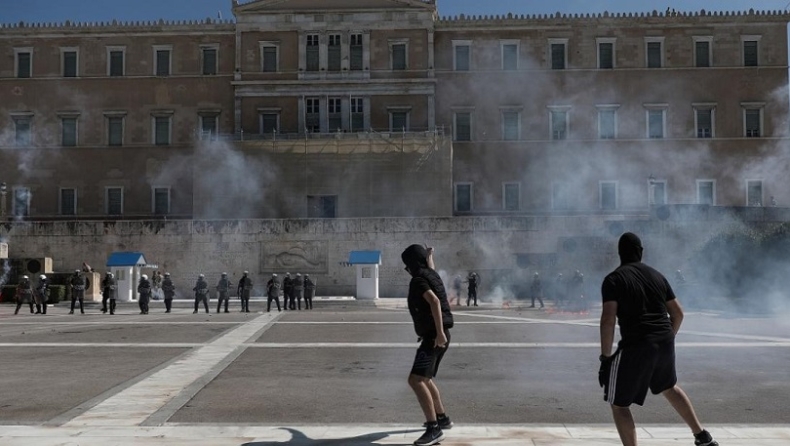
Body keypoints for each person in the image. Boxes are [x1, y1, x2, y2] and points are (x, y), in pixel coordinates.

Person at [599, 232, 718, 446]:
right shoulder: (657, 276)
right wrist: (666, 338)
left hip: (637, 343)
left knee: (619, 404)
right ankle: (702, 436)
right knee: (669, 387)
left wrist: (605, 358)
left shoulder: (614, 279)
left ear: (620, 254)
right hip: (664, 339)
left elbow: (608, 319)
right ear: (641, 253)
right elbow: (678, 314)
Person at [401, 244, 454, 446]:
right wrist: (430, 255)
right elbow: (430, 266)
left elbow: (434, 302)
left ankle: (433, 429)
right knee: (426, 377)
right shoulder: (431, 273)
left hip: (434, 336)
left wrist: (439, 333)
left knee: (415, 380)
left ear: (413, 264)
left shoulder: (418, 280)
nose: (407, 269)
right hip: (439, 335)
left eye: (407, 265)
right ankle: (442, 418)